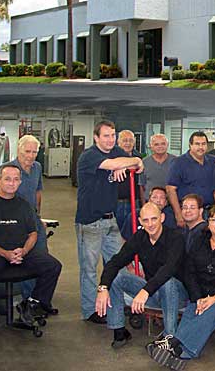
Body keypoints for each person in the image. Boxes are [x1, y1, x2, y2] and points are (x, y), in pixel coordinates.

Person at [146, 205, 215, 370]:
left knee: (213, 310)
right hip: (203, 295)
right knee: (192, 309)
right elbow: (190, 271)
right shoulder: (200, 241)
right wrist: (197, 298)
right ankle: (180, 354)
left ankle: (175, 343)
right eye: (214, 219)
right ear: (208, 223)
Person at [76, 120, 144, 324]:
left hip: (110, 219)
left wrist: (128, 162)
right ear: (96, 137)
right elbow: (120, 163)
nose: (110, 139)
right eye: (106, 136)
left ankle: (117, 303)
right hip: (90, 222)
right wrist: (120, 165)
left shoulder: (115, 151)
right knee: (89, 269)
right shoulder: (89, 156)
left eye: (113, 135)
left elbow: (139, 163)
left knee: (118, 265)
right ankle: (90, 311)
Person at [95, 202, 186, 347]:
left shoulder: (176, 237)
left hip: (179, 296)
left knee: (167, 282)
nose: (150, 224)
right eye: (145, 220)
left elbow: (169, 269)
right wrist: (103, 287)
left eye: (154, 219)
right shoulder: (140, 237)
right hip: (153, 293)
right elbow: (116, 261)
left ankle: (170, 339)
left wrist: (145, 291)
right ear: (140, 221)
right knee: (117, 278)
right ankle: (119, 331)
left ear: (162, 218)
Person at [0, 164, 62, 322]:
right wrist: (5, 253)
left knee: (53, 266)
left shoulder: (24, 205)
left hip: (21, 253)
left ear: (20, 182)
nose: (12, 183)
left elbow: (33, 234)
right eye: (7, 179)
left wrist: (24, 251)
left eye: (16, 179)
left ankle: (32, 303)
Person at [0, 134, 50, 305]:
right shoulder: (7, 170)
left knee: (42, 259)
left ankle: (38, 300)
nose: (31, 156)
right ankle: (27, 299)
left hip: (33, 221)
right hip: (14, 223)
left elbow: (38, 192)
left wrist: (38, 217)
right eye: (27, 151)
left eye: (34, 152)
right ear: (19, 150)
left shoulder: (37, 167)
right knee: (22, 259)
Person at [166, 131, 215, 228]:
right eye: (197, 144)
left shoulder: (213, 162)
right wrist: (178, 214)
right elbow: (170, 189)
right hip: (188, 213)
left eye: (203, 144)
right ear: (190, 145)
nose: (201, 147)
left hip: (208, 212)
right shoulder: (178, 163)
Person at [115, 129, 141, 240]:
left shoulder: (140, 159)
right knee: (114, 236)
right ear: (118, 142)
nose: (128, 143)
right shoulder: (111, 159)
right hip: (116, 204)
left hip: (135, 203)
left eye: (130, 140)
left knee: (134, 234)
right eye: (124, 140)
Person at [139, 133, 176, 205]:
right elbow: (142, 186)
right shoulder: (144, 162)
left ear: (167, 145)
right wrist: (144, 205)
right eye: (156, 144)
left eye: (163, 144)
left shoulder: (176, 161)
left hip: (171, 205)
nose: (160, 146)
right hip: (150, 204)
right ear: (151, 146)